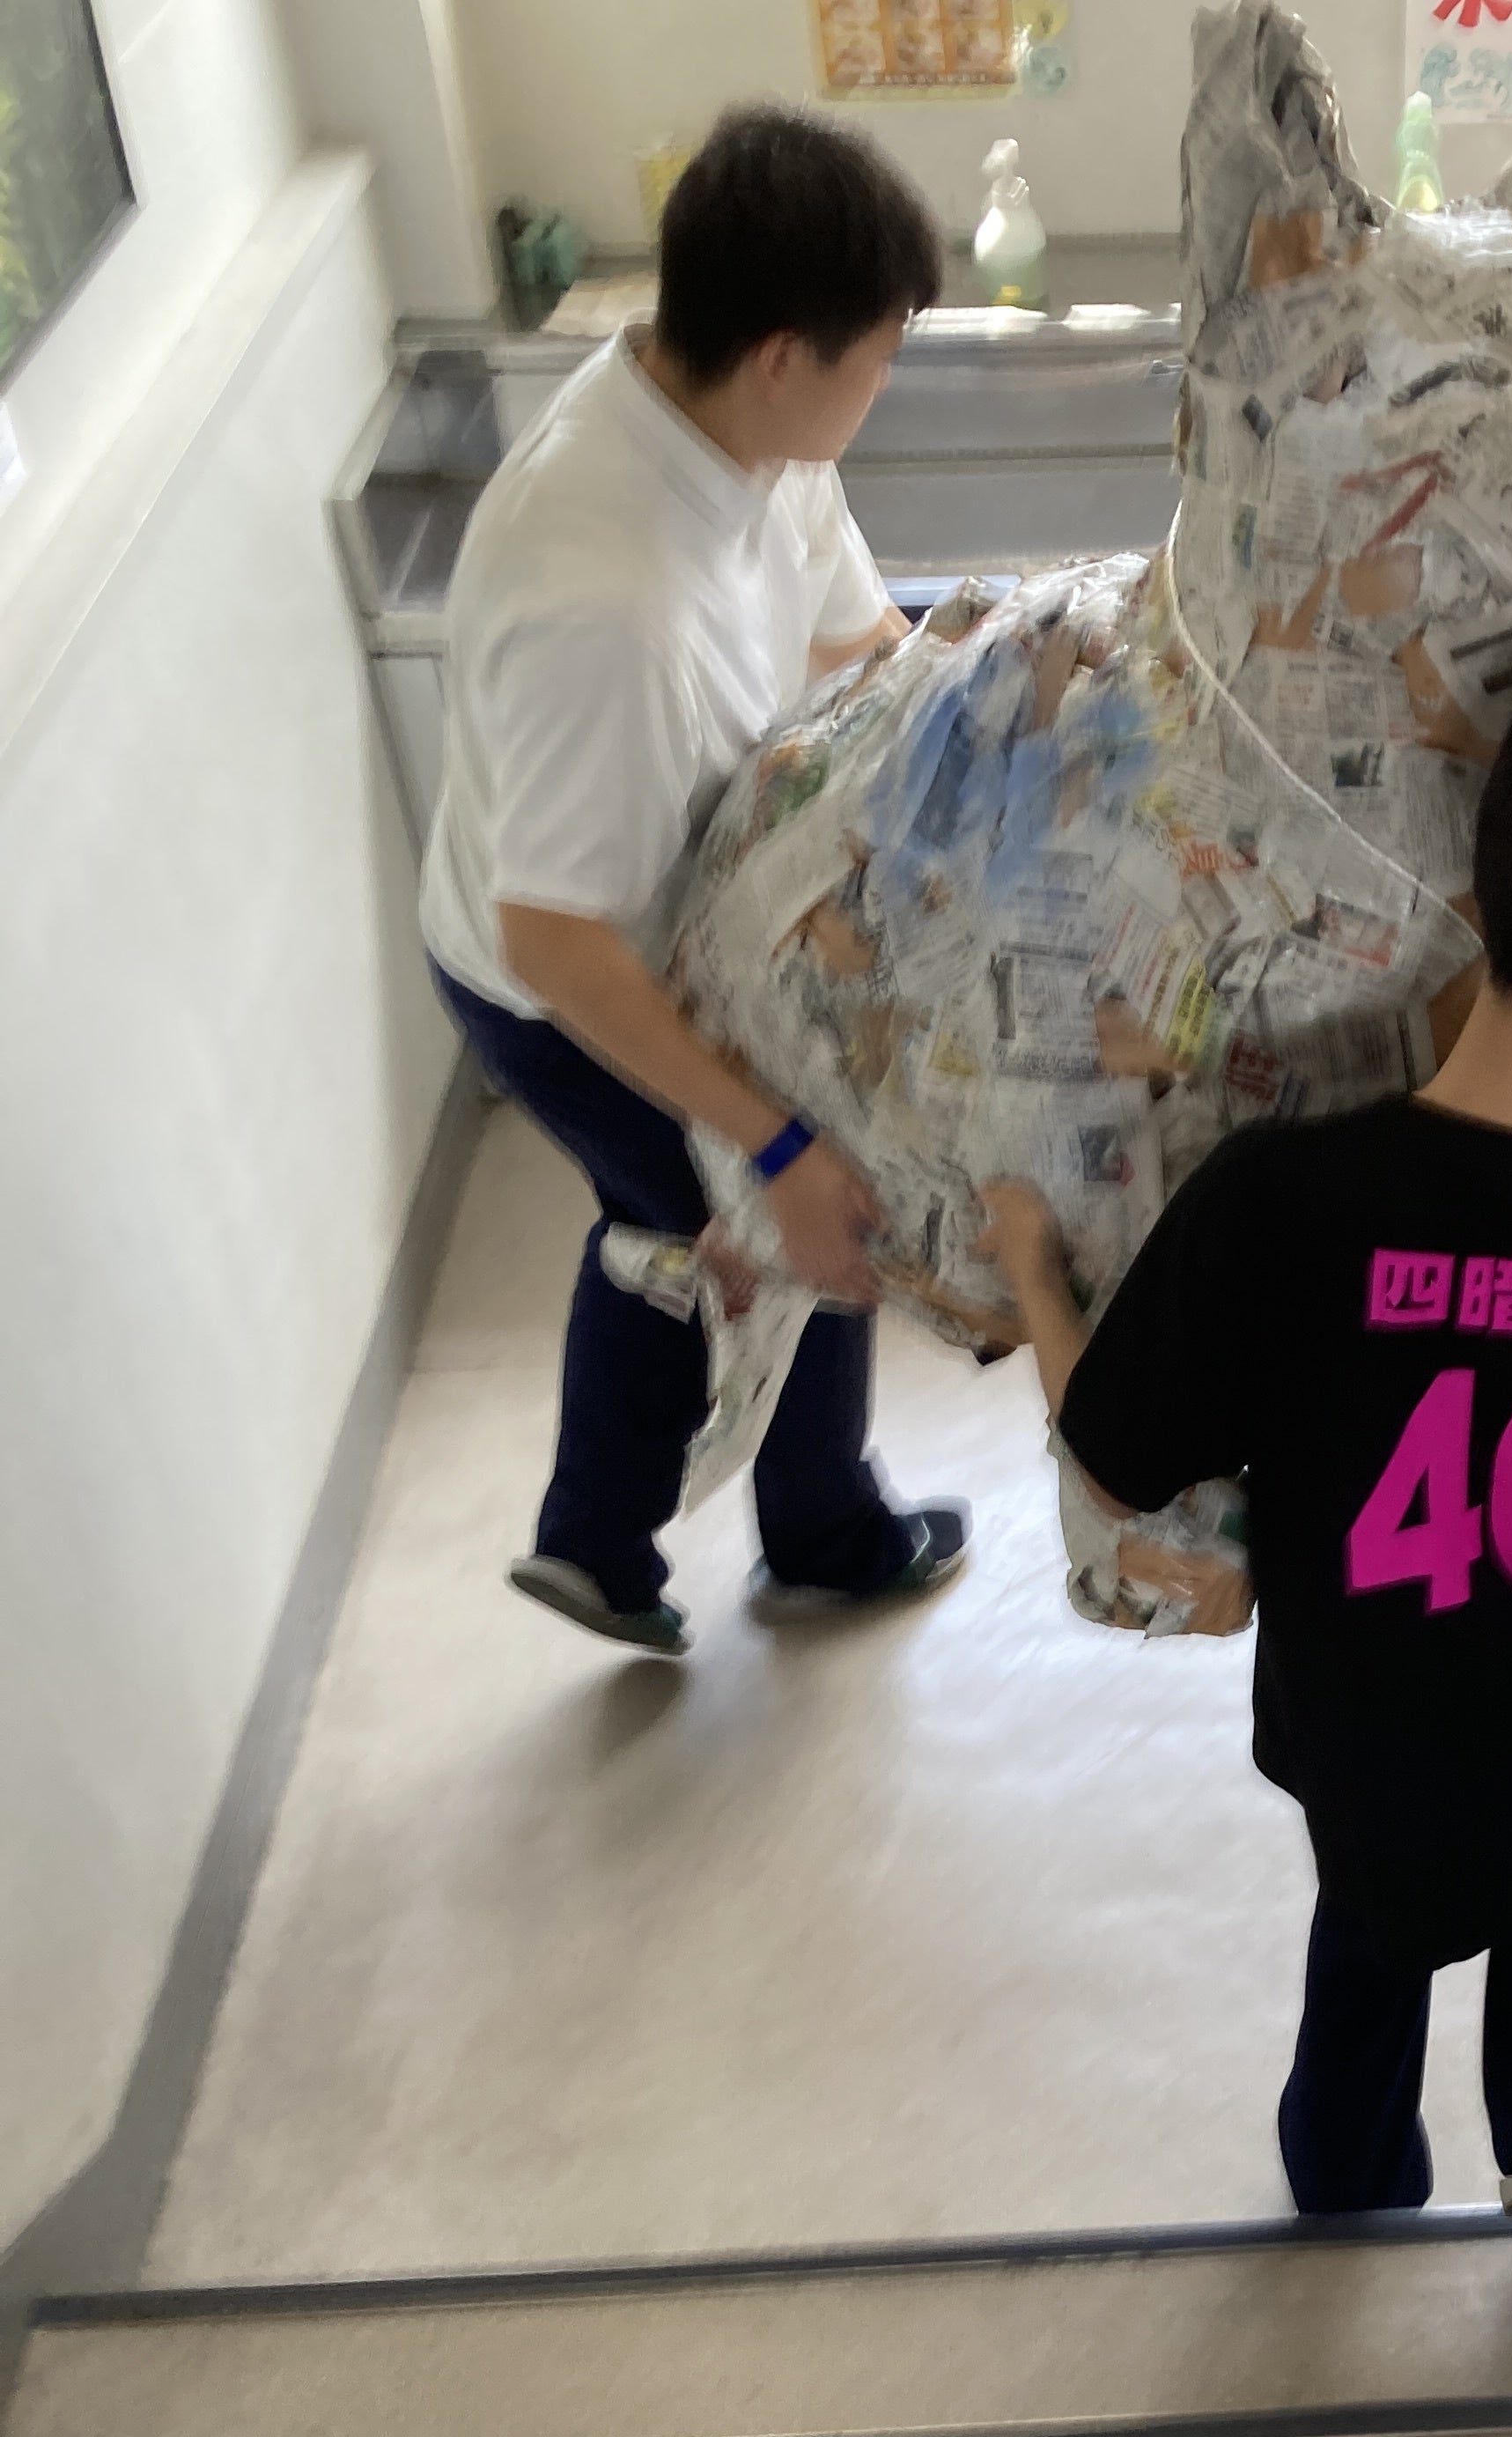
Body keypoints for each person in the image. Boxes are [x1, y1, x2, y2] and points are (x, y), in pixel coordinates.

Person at [981, 638, 1512, 2222]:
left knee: (1365, 1961)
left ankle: (1353, 2191)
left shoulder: (1279, 1197)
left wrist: (1030, 1264)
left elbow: (1120, 1448)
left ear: (1476, 899)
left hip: (1366, 1728)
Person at [423, 106, 970, 1658]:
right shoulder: (608, 601)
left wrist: (993, 701)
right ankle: (813, 1536)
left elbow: (857, 641)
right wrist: (778, 1143)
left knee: (682, 1220)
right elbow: (557, 941)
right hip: (555, 982)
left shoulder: (740, 430)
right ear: (786, 355)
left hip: (663, 916)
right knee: (798, 1203)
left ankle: (603, 1541)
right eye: (881, 357)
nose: (887, 383)